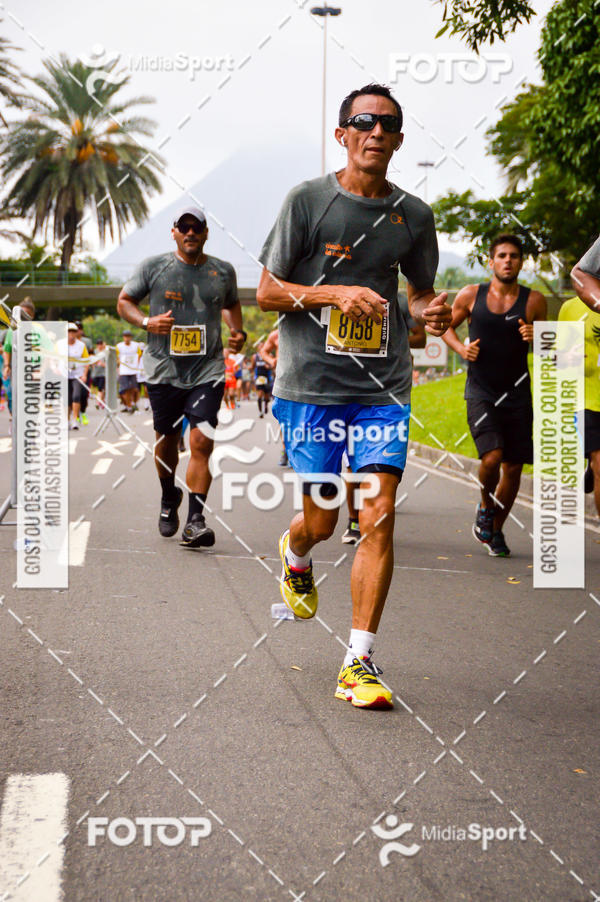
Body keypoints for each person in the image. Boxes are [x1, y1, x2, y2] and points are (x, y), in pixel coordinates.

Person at [257, 83, 451, 710]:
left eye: (387, 124)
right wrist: (334, 294)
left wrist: (434, 310)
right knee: (324, 518)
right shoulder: (308, 201)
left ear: (397, 138)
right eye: (362, 122)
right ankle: (296, 548)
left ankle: (358, 661)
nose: (375, 131)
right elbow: (265, 291)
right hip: (312, 386)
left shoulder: (413, 216)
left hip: (381, 388)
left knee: (379, 512)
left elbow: (419, 295)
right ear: (342, 134)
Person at [117, 205, 246, 547]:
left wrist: (237, 330)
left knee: (201, 441)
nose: (190, 233)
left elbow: (232, 304)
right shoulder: (155, 267)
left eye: (197, 227)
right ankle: (167, 495)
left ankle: (195, 520)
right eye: (183, 227)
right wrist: (147, 322)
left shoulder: (222, 272)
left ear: (206, 234)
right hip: (163, 369)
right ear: (173, 232)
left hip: (207, 370)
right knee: (167, 442)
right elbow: (124, 301)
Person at [442, 234, 546, 556]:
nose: (508, 260)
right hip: (481, 391)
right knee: (492, 457)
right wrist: (460, 348)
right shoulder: (471, 295)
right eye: (501, 255)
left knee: (513, 468)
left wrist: (538, 337)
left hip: (518, 393)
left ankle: (495, 530)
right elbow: (444, 325)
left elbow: (551, 351)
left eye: (514, 256)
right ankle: (486, 506)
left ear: (521, 262)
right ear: (491, 261)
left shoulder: (534, 301)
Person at [342, 294, 426, 544]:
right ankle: (354, 519)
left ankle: (374, 512)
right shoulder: (342, 293)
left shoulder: (399, 301)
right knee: (351, 463)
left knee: (378, 465)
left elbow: (420, 339)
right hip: (346, 386)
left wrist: (391, 339)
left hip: (388, 391)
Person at [2, 298, 36, 423]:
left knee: (29, 398)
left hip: (32, 370)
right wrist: (6, 366)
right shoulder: (12, 329)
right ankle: (16, 419)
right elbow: (7, 348)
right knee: (13, 395)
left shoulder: (36, 329)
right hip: (17, 368)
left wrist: (40, 369)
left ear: (31, 316)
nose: (20, 317)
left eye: (24, 314)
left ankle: (28, 424)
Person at [260, 328, 288, 465]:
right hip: (283, 380)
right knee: (284, 417)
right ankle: (285, 449)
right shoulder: (276, 334)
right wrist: (271, 360)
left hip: (308, 380)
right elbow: (264, 351)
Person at [57, 322, 90, 429]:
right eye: (69, 332)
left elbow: (86, 361)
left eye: (73, 332)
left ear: (77, 333)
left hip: (77, 375)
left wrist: (84, 375)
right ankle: (66, 420)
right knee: (66, 398)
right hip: (64, 374)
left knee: (76, 396)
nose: (71, 335)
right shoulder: (59, 344)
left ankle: (75, 419)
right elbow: (53, 358)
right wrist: (55, 368)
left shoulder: (81, 345)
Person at [116, 329, 141, 413]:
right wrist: (118, 367)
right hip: (124, 371)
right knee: (125, 389)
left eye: (128, 336)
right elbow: (116, 357)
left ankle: (133, 402)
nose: (127, 338)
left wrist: (136, 365)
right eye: (125, 336)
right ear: (123, 337)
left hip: (133, 370)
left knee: (134, 388)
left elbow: (139, 355)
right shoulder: (119, 346)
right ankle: (129, 406)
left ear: (131, 337)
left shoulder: (135, 345)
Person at [253, 342, 273, 418]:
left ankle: (266, 405)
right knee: (260, 394)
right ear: (258, 348)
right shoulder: (255, 357)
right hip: (259, 377)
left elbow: (273, 365)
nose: (261, 347)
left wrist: (269, 366)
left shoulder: (269, 355)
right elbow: (252, 367)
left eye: (263, 346)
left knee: (267, 396)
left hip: (267, 377)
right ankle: (260, 412)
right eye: (260, 346)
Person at [91, 338, 106, 408]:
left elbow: (107, 364)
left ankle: (98, 402)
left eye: (101, 344)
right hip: (95, 373)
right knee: (97, 388)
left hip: (103, 373)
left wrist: (102, 364)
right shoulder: (95, 352)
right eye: (98, 344)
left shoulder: (105, 353)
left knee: (101, 388)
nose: (99, 346)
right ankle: (102, 400)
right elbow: (91, 361)